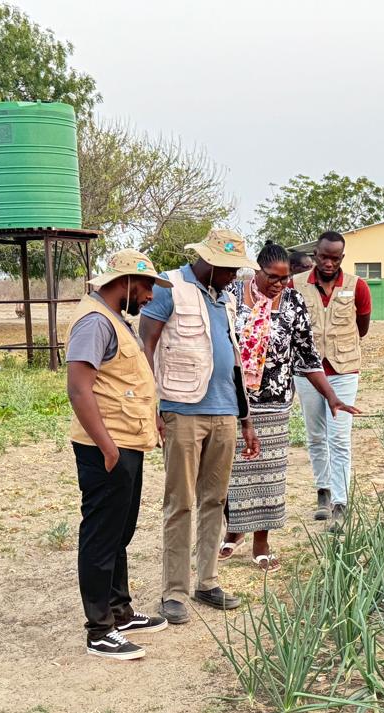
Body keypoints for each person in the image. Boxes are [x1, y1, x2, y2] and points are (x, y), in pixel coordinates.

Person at [140, 228, 260, 625]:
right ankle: (173, 591)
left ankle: (207, 582)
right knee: (181, 502)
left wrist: (245, 419)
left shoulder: (223, 298)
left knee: (215, 500)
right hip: (182, 410)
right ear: (208, 262)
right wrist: (153, 407)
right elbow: (147, 347)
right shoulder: (170, 288)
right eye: (229, 270)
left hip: (225, 411)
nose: (234, 277)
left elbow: (235, 362)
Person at [219, 242, 359, 571]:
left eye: (284, 279)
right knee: (231, 473)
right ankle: (235, 528)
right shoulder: (232, 296)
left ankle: (261, 541)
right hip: (232, 400)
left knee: (268, 474)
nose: (279, 285)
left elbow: (308, 358)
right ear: (257, 270)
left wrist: (331, 396)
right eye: (272, 278)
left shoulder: (293, 302)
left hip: (274, 401)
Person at [66, 249, 172, 660]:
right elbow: (79, 389)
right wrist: (108, 448)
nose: (149, 296)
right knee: (101, 535)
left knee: (119, 531)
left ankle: (119, 611)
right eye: (146, 287)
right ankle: (99, 630)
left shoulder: (116, 320)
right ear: (125, 282)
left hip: (127, 441)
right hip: (106, 447)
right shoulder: (94, 322)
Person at [293, 231, 372, 531]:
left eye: (335, 258)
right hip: (307, 373)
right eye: (323, 256)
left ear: (342, 257)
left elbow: (361, 326)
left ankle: (340, 502)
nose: (328, 263)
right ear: (315, 254)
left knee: (339, 438)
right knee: (315, 436)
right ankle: (322, 491)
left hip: (344, 371)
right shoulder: (296, 285)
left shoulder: (357, 287)